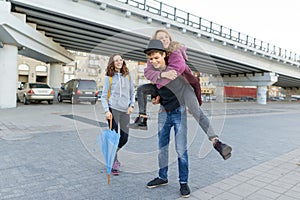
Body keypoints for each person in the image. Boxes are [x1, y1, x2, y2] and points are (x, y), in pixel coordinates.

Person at [128, 29, 232, 160]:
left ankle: (216, 142)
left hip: (184, 87)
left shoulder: (176, 52)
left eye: (166, 37)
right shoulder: (153, 56)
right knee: (142, 89)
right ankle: (142, 119)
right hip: (165, 90)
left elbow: (176, 71)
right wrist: (161, 76)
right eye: (161, 38)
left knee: (196, 111)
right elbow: (148, 73)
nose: (165, 39)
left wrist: (159, 83)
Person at [144, 40, 191, 198]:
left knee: (181, 150)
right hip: (163, 113)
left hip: (179, 112)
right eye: (151, 59)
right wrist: (155, 97)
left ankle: (183, 183)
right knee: (162, 148)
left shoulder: (176, 70)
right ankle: (162, 177)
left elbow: (189, 85)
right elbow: (155, 91)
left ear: (164, 55)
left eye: (156, 58)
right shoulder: (155, 75)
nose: (154, 61)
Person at [101, 54, 135, 175]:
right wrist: (106, 110)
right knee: (114, 138)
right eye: (116, 60)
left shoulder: (128, 75)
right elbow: (103, 96)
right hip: (113, 110)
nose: (119, 62)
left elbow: (132, 92)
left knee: (124, 137)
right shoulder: (108, 78)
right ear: (112, 63)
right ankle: (114, 162)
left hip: (125, 110)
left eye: (121, 59)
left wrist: (131, 105)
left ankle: (111, 155)